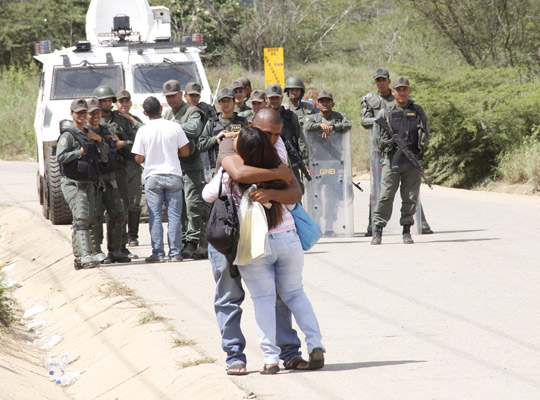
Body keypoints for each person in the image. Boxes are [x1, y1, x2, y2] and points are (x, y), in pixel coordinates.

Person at [203, 125, 325, 375]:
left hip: (255, 245)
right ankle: (315, 344)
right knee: (295, 295)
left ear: (242, 150)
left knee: (264, 301)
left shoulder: (231, 173)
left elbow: (207, 195)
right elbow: (294, 195)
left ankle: (270, 358)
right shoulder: (278, 168)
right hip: (288, 239)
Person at [361, 68, 433, 236]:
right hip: (391, 160)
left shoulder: (417, 110)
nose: (401, 93)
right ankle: (377, 228)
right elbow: (378, 138)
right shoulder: (384, 111)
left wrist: (418, 152)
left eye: (404, 89)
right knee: (385, 196)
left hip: (411, 160)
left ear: (409, 91)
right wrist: (390, 145)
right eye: (398, 90)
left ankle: (407, 229)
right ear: (393, 92)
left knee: (410, 196)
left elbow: (425, 133)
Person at [131, 96, 191, 262]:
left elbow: (138, 158)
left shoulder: (142, 130)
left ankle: (158, 254)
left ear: (144, 112)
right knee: (174, 217)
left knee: (155, 217)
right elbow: (185, 151)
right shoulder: (174, 127)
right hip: (173, 175)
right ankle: (175, 253)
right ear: (161, 110)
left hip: (152, 177)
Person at [162, 79, 206, 259]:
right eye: (168, 97)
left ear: (181, 95)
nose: (171, 100)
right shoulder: (166, 114)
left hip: (191, 165)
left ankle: (193, 242)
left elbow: (195, 129)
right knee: (177, 207)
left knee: (193, 205)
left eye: (174, 96)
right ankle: (181, 240)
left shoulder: (192, 111)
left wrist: (172, 127)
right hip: (174, 166)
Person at [56, 99, 102, 269]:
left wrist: (98, 141)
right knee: (81, 218)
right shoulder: (68, 135)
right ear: (72, 114)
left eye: (84, 112)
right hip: (73, 182)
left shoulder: (87, 133)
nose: (82, 116)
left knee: (86, 219)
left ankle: (81, 257)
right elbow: (60, 157)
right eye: (79, 113)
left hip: (88, 181)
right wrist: (78, 152)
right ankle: (85, 256)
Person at [93, 85, 137, 259]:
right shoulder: (94, 120)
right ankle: (97, 249)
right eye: (103, 101)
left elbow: (135, 141)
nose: (106, 103)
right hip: (98, 170)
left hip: (119, 168)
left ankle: (120, 246)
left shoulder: (120, 119)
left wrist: (123, 144)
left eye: (109, 100)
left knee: (121, 208)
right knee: (98, 210)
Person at [85, 98, 129, 263]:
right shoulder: (84, 132)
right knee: (95, 216)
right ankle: (96, 251)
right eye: (92, 113)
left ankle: (115, 250)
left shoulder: (105, 130)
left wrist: (100, 139)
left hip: (110, 178)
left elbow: (111, 147)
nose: (95, 116)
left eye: (97, 112)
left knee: (118, 213)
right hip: (94, 179)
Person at [304, 90, 352, 235]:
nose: (325, 103)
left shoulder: (339, 117)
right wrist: (320, 126)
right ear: (317, 104)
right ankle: (316, 226)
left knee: (332, 197)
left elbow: (347, 125)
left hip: (334, 163)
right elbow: (306, 127)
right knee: (315, 197)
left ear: (333, 103)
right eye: (322, 101)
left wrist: (333, 127)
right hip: (316, 162)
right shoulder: (312, 117)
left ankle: (330, 227)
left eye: (328, 101)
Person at [265, 83, 309, 193]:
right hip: (267, 160)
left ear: (282, 98)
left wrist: (305, 160)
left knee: (295, 190)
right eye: (272, 98)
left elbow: (300, 138)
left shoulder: (290, 116)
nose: (274, 101)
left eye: (277, 98)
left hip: (290, 159)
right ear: (266, 99)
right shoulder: (262, 116)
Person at [115, 89, 144, 247]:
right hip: (118, 164)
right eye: (121, 101)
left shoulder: (136, 120)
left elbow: (144, 135)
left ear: (131, 103)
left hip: (133, 164)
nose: (124, 104)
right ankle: (121, 235)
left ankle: (133, 235)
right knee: (119, 202)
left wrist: (125, 143)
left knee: (134, 200)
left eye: (127, 101)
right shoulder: (112, 119)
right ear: (116, 103)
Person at [198, 87, 247, 176]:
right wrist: (215, 139)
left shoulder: (242, 122)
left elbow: (250, 141)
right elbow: (201, 145)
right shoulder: (212, 123)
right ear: (219, 103)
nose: (226, 104)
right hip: (217, 169)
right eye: (222, 101)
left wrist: (236, 135)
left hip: (238, 167)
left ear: (233, 101)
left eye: (228, 100)